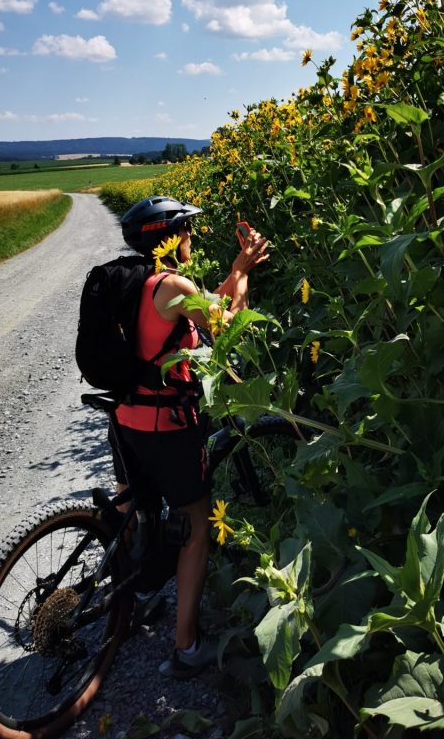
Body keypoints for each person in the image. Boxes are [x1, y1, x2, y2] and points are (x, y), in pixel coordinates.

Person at [113, 194, 269, 678]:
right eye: (186, 230)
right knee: (197, 526)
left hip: (124, 418)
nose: (191, 238)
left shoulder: (130, 280)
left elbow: (208, 308)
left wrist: (234, 272)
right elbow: (224, 325)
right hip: (165, 423)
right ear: (170, 237)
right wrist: (244, 265)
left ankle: (132, 599)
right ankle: (185, 646)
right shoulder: (172, 283)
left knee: (129, 510)